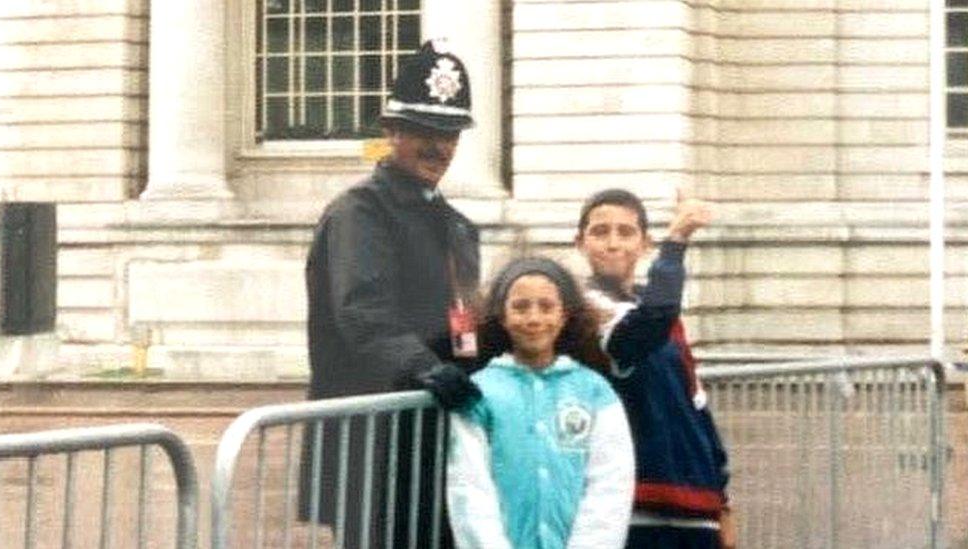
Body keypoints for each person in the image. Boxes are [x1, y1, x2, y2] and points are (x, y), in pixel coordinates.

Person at [299, 40, 482, 548]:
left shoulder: (455, 225)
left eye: (449, 134)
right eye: (424, 131)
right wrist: (426, 367)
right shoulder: (360, 212)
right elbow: (362, 312)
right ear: (392, 131)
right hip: (374, 446)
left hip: (436, 441)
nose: (438, 148)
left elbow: (464, 319)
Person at [575, 189, 736, 549]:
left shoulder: (658, 309)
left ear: (644, 243)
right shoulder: (586, 311)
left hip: (696, 503)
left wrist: (722, 500)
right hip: (635, 505)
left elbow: (696, 404)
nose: (613, 243)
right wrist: (676, 241)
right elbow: (644, 328)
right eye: (600, 232)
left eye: (626, 232)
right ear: (580, 243)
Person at [446, 257, 635, 549]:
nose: (534, 319)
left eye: (546, 307)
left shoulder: (595, 392)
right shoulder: (479, 393)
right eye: (520, 307)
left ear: (564, 315)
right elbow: (470, 489)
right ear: (502, 315)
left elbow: (610, 486)